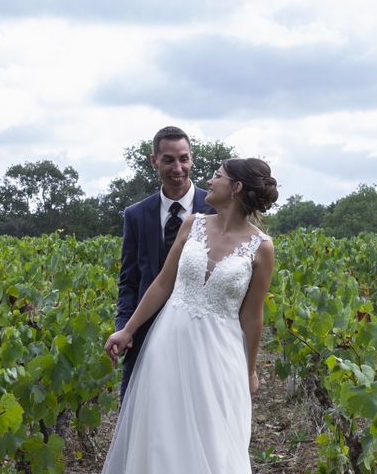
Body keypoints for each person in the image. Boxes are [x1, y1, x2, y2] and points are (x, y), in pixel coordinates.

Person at [102, 158, 279, 473]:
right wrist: (127, 330)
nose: (209, 181)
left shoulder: (261, 247)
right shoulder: (192, 223)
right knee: (163, 432)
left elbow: (253, 316)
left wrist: (250, 371)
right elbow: (161, 284)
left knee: (214, 437)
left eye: (218, 176)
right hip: (169, 342)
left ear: (236, 188)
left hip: (220, 353)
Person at [116, 126, 214, 402]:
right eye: (169, 159)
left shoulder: (217, 209)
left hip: (201, 335)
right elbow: (129, 280)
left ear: (192, 158)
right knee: (138, 412)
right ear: (154, 161)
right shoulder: (136, 215)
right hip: (147, 330)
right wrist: (125, 327)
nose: (178, 167)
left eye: (184, 158)